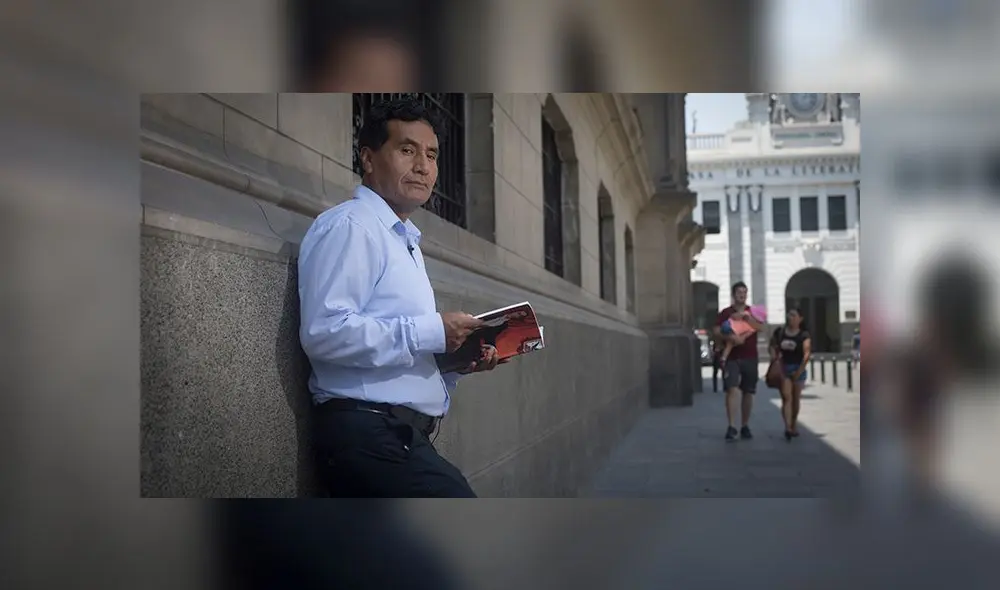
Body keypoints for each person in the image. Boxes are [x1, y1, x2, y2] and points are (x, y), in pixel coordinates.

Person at [298, 97, 501, 497]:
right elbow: (324, 332)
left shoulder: (402, 238)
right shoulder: (353, 225)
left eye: (432, 154)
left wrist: (453, 361)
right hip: (370, 436)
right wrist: (430, 333)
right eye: (407, 150)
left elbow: (391, 349)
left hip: (399, 437)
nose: (423, 166)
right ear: (369, 160)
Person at [714, 281, 765, 441]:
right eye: (738, 292)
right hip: (732, 358)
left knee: (748, 391)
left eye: (744, 292)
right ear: (733, 294)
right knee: (732, 390)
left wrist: (746, 318)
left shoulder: (752, 311)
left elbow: (760, 327)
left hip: (750, 356)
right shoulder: (726, 312)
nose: (742, 295)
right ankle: (731, 426)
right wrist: (730, 337)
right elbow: (715, 330)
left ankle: (745, 425)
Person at [770, 308, 812, 442]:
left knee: (795, 399)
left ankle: (793, 424)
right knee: (786, 398)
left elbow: (806, 354)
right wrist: (774, 357)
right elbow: (772, 345)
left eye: (794, 315)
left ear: (800, 319)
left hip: (798, 368)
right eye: (789, 315)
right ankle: (787, 427)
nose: (790, 318)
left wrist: (799, 371)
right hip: (784, 368)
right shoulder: (781, 332)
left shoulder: (804, 335)